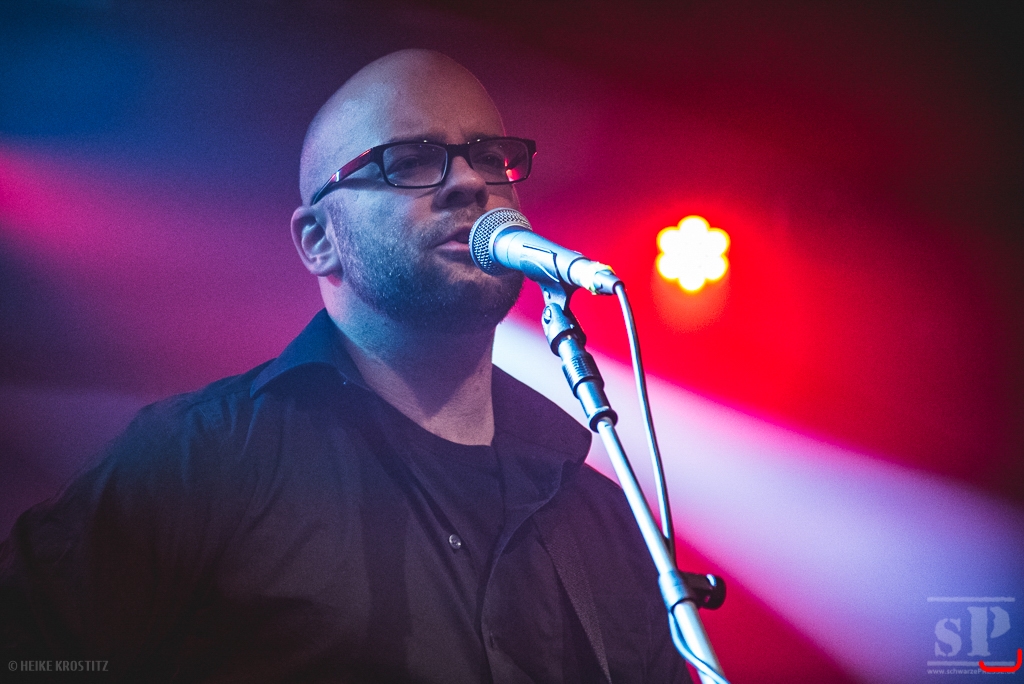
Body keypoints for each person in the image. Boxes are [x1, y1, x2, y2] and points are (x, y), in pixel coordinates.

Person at [0, 50, 691, 683]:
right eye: (410, 161)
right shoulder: (198, 462)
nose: (467, 183)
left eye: (489, 157)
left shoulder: (598, 515)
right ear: (318, 240)